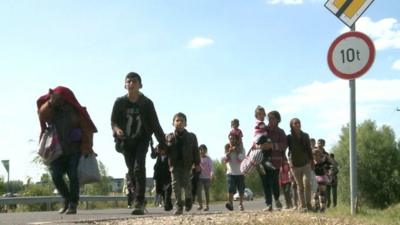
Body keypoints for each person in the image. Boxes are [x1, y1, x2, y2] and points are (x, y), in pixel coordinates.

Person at [111, 72, 167, 215]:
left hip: (142, 140)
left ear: (140, 85)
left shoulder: (147, 103)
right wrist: (117, 130)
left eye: (134, 81)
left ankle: (139, 202)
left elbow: (155, 125)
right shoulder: (119, 102)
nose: (131, 84)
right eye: (128, 81)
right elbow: (113, 121)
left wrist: (163, 143)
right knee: (131, 171)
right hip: (126, 142)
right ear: (125, 85)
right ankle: (137, 197)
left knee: (138, 168)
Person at [37, 86, 97, 214]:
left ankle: (73, 204)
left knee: (73, 176)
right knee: (56, 176)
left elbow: (87, 129)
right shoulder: (52, 110)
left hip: (73, 150)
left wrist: (86, 146)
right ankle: (67, 198)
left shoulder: (77, 111)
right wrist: (50, 102)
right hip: (56, 151)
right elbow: (42, 115)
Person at [166, 112, 200, 215]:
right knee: (175, 185)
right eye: (177, 120)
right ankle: (179, 206)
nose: (179, 123)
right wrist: (167, 143)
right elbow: (165, 150)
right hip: (174, 166)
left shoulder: (191, 137)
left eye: (182, 121)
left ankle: (189, 200)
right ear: (173, 123)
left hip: (186, 165)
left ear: (185, 124)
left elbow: (195, 151)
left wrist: (197, 163)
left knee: (187, 185)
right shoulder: (169, 137)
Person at [257, 110, 287, 211]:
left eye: (272, 118)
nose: (270, 120)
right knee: (265, 182)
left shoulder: (281, 132)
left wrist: (272, 145)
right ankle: (269, 204)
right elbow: (256, 140)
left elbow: (284, 145)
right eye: (268, 118)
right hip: (262, 160)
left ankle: (277, 200)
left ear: (278, 120)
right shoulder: (264, 130)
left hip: (275, 162)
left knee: (274, 181)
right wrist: (260, 146)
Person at [287, 118, 313, 212]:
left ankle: (309, 204)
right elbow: (287, 151)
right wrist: (289, 162)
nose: (297, 124)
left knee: (307, 184)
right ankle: (303, 206)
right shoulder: (289, 137)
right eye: (295, 123)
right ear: (291, 125)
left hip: (306, 163)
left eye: (299, 123)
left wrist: (311, 161)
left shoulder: (305, 136)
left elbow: (309, 150)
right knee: (300, 186)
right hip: (295, 165)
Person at [223, 133, 246, 211]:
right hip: (230, 173)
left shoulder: (241, 149)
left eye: (233, 138)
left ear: (237, 139)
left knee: (241, 189)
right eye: (230, 138)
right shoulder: (227, 147)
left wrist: (236, 151)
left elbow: (242, 159)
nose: (232, 140)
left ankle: (241, 204)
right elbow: (223, 160)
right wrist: (228, 153)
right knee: (230, 188)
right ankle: (230, 204)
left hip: (240, 172)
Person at [151, 144, 173, 211]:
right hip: (159, 177)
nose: (161, 152)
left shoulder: (169, 156)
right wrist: (152, 146)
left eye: (163, 150)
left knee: (168, 191)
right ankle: (167, 205)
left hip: (167, 176)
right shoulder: (158, 156)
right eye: (160, 150)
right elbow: (152, 155)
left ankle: (168, 204)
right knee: (162, 192)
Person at [196, 144, 213, 211]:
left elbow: (211, 168)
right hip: (200, 177)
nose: (202, 151)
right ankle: (200, 205)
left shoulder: (208, 159)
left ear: (206, 150)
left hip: (207, 178)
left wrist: (212, 174)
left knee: (206, 191)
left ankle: (207, 206)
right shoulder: (197, 158)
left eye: (203, 149)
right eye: (200, 149)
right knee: (198, 191)